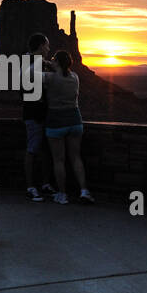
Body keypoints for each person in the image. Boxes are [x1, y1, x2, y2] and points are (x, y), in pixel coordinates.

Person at [42, 50, 93, 205]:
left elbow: (31, 78)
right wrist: (52, 64)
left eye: (53, 59)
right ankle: (84, 191)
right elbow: (61, 70)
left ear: (56, 62)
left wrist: (43, 63)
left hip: (56, 121)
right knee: (76, 157)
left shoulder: (48, 78)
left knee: (59, 160)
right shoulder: (75, 77)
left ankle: (62, 194)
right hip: (75, 120)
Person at [22, 32, 57, 202]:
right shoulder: (28, 63)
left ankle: (44, 184)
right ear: (41, 45)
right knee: (32, 148)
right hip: (33, 113)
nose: (49, 48)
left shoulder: (38, 62)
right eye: (47, 45)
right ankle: (30, 187)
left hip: (43, 112)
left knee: (44, 149)